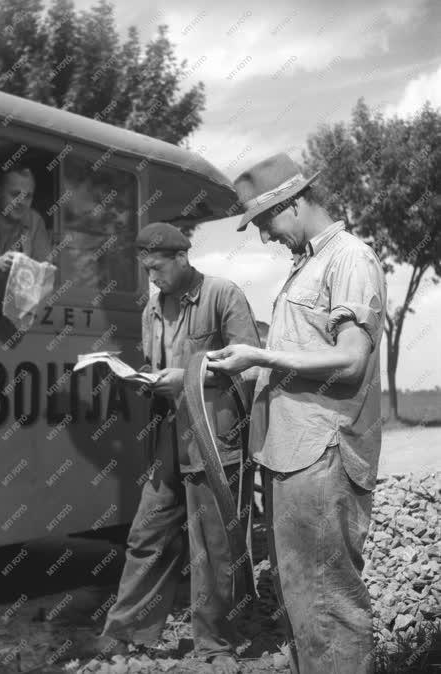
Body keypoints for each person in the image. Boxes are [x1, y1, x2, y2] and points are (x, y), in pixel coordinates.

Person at [207, 153, 387, 674]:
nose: (265, 236)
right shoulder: (306, 265)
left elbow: (351, 360)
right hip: (291, 458)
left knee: (329, 606)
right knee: (302, 605)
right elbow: (301, 354)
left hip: (323, 457)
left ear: (292, 202)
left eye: (265, 221)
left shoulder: (350, 258)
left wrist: (261, 355)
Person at [77, 222, 261, 674]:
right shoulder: (153, 308)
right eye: (146, 269)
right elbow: (162, 370)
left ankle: (215, 644)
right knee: (148, 534)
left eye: (157, 267)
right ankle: (125, 634)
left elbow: (252, 366)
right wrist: (146, 381)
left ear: (182, 257)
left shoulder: (223, 294)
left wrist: (188, 378)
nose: (151, 278)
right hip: (169, 437)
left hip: (215, 440)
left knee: (212, 545)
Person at [0, 165, 52, 279]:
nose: (21, 202)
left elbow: (44, 275)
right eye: (15, 194)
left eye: (27, 196)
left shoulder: (35, 221)